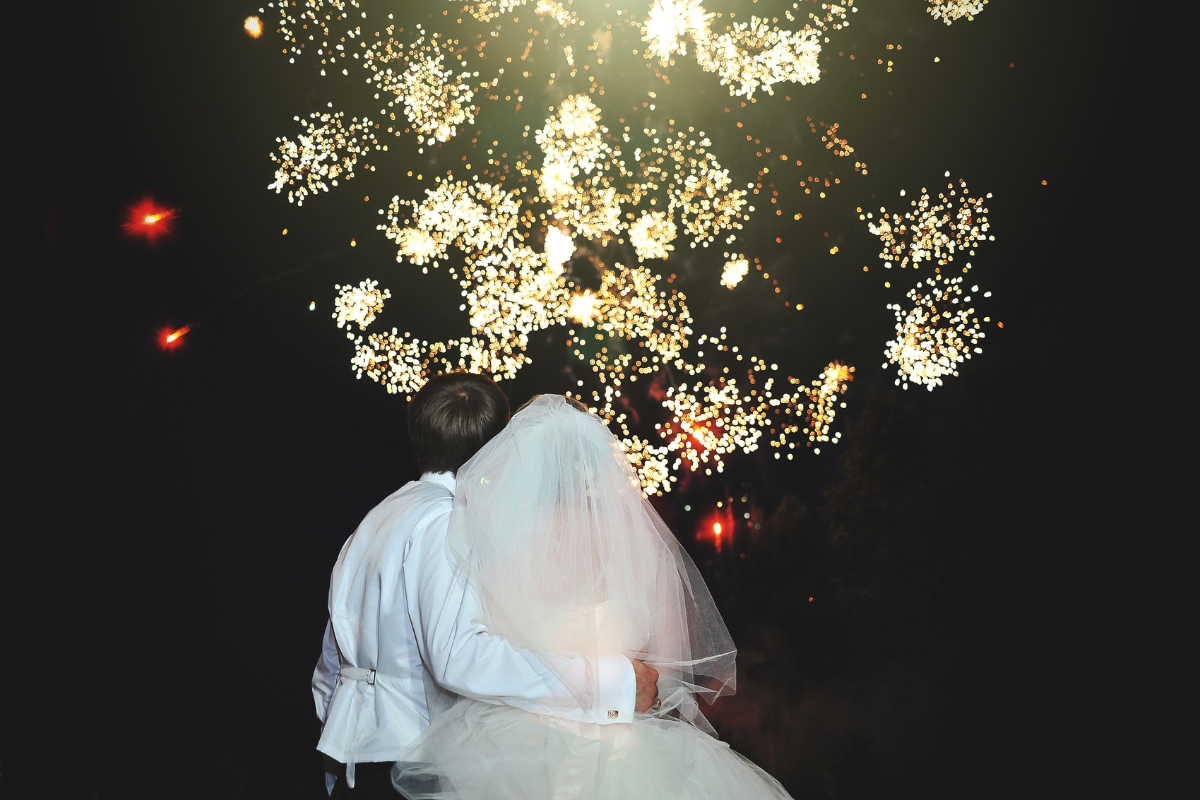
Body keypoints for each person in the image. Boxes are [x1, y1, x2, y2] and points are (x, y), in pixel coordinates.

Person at [391, 394, 795, 800]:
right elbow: (667, 674)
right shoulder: (640, 546)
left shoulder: (500, 547)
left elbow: (487, 656)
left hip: (516, 748)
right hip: (629, 742)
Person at [312, 374, 660, 799]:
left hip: (354, 754)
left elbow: (333, 658)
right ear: (497, 443)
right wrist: (606, 681)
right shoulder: (445, 523)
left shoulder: (378, 517)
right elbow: (459, 656)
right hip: (410, 760)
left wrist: (339, 739)